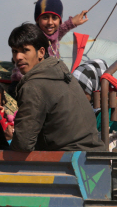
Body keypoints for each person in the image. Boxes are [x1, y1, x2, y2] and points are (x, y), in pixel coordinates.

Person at [8, 23, 105, 152]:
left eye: (25, 50)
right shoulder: (62, 74)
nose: (18, 57)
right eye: (15, 51)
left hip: (67, 162)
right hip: (94, 158)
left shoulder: (33, 86)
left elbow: (22, 144)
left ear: (41, 52)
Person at [11, 0, 89, 82]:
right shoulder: (31, 38)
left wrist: (73, 22)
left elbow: (63, 28)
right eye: (45, 17)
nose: (50, 22)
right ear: (37, 19)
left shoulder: (54, 35)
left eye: (54, 18)